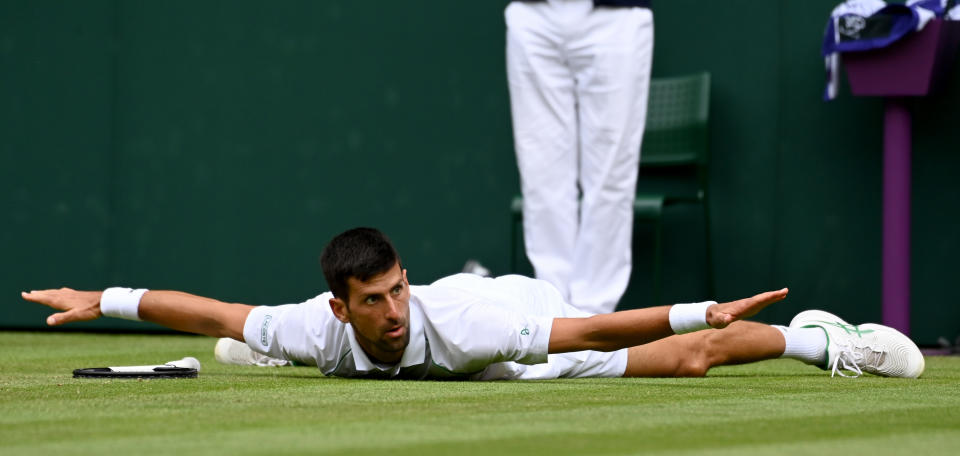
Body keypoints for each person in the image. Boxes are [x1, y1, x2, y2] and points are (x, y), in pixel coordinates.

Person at [21, 227, 924, 380]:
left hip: (517, 315)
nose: (392, 309)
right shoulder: (315, 322)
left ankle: (818, 343)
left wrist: (697, 313)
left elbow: (597, 326)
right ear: (340, 307)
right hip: (477, 324)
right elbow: (213, 313)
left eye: (397, 289)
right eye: (373, 301)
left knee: (685, 360)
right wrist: (105, 297)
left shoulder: (463, 322)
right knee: (248, 338)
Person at [506, 0, 654, 314]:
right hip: (533, 13)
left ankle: (594, 315)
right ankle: (553, 314)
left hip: (616, 15)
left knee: (611, 173)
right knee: (540, 174)